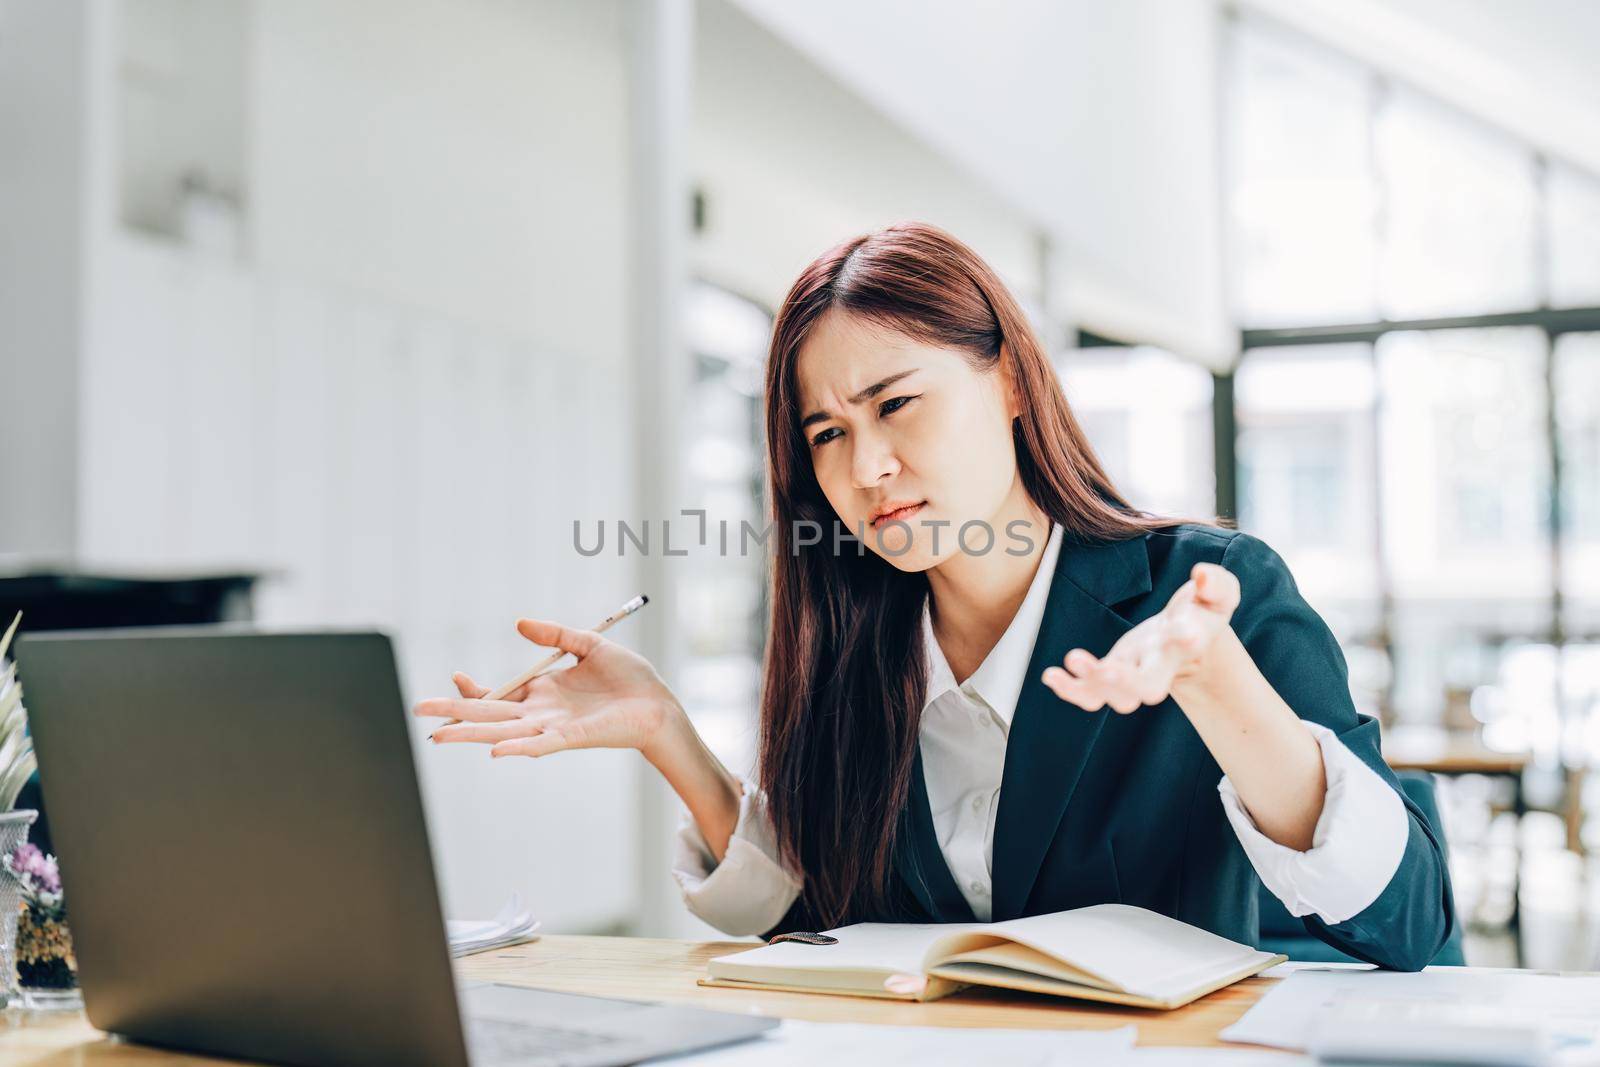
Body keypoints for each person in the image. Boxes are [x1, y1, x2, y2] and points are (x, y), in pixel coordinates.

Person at [413, 221, 1454, 970]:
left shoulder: (1201, 591)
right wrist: (666, 733)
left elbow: (1410, 921)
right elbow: (815, 914)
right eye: (826, 432)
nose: (866, 466)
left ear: (1007, 382)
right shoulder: (859, 632)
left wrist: (1219, 685)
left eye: (895, 404)